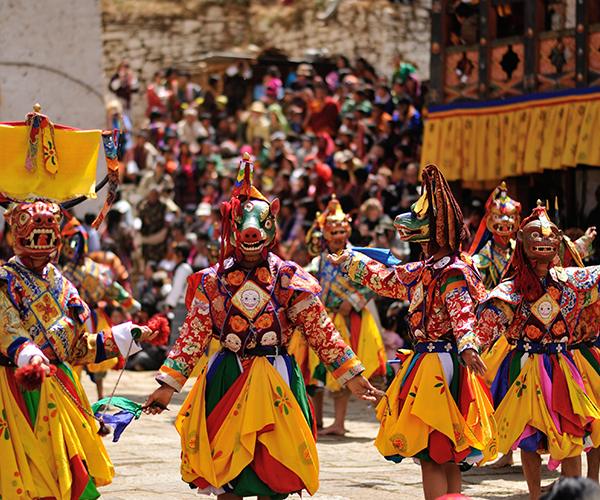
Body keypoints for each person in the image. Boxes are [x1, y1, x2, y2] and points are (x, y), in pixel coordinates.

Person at [143, 154, 377, 499]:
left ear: (273, 227)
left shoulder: (289, 278)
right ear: (232, 228)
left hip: (278, 374)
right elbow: (192, 336)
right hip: (228, 375)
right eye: (243, 226)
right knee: (228, 472)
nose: (251, 234)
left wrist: (351, 375)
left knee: (274, 473)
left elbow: (321, 329)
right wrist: (167, 385)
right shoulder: (212, 281)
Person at [329, 164, 497, 500]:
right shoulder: (427, 269)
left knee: (432, 453)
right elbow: (389, 278)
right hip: (434, 361)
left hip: (441, 363)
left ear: (439, 229)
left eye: (420, 220)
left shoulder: (451, 270)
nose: (408, 223)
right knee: (445, 449)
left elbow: (462, 309)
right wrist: (352, 262)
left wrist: (467, 344)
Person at [0, 200, 159, 499]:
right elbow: (9, 331)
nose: (45, 239)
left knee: (65, 478)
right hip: (14, 386)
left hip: (61, 386)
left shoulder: (61, 282)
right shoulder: (4, 282)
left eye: (50, 233)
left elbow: (75, 348)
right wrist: (32, 357)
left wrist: (128, 335)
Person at [476, 204, 600, 500]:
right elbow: (486, 328)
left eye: (549, 235)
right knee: (527, 437)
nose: (543, 240)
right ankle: (534, 495)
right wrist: (470, 350)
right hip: (523, 365)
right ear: (523, 242)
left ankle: (578, 495)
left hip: (561, 364)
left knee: (571, 432)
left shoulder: (573, 283)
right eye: (535, 235)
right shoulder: (510, 290)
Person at [302, 197, 387, 435]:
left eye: (342, 231)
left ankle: (352, 422)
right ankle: (318, 421)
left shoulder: (357, 257)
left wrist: (352, 301)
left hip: (353, 320)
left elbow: (375, 283)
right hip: (323, 320)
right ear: (325, 232)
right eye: (333, 231)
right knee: (318, 371)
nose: (338, 235)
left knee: (356, 369)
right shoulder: (318, 261)